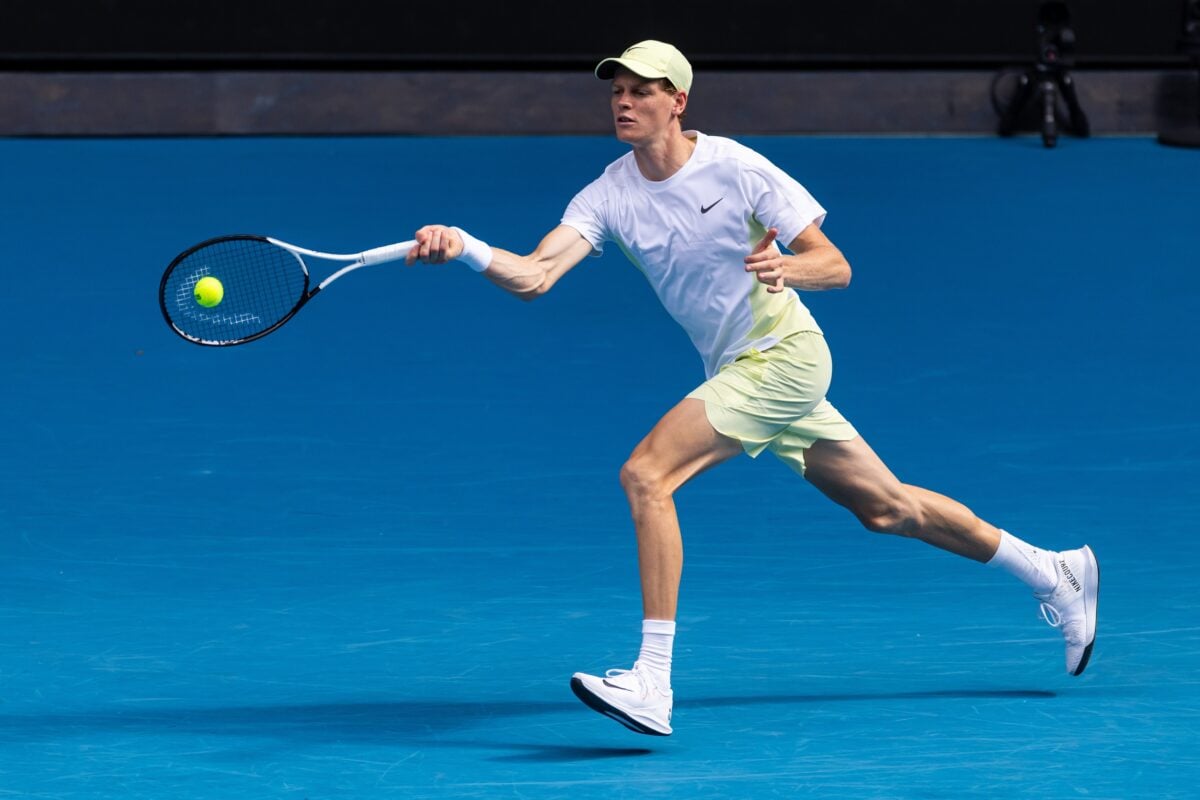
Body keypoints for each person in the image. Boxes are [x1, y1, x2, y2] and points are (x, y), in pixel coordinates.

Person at [405, 40, 1100, 737]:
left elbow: (835, 265)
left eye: (643, 91)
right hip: (740, 368)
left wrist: (784, 268)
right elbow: (535, 276)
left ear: (678, 101)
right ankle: (1053, 572)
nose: (624, 101)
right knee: (888, 510)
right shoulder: (609, 192)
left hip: (785, 357)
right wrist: (465, 246)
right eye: (617, 90)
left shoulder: (736, 169)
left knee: (647, 476)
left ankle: (651, 679)